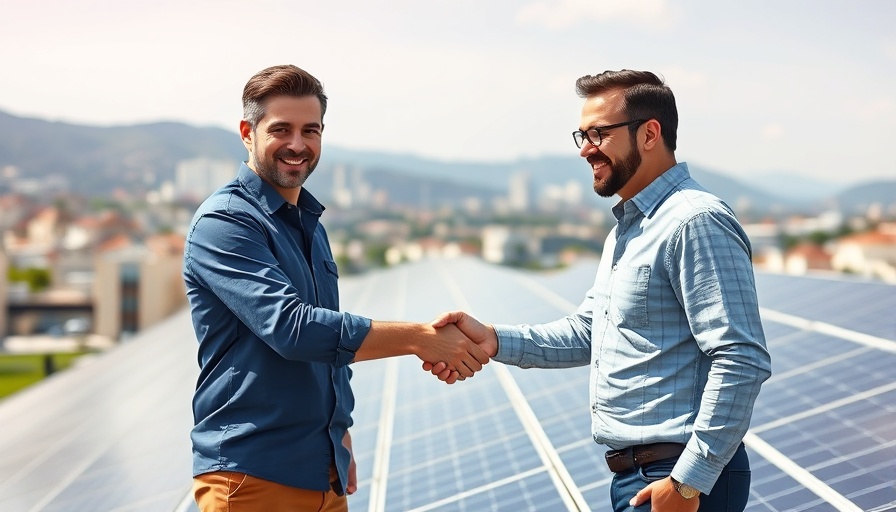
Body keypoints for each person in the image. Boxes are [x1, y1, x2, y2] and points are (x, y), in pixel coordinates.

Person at [427, 70, 772, 512]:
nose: (587, 149)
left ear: (650, 134)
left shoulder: (694, 221)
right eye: (582, 135)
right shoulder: (629, 230)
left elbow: (741, 357)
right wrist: (492, 339)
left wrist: (688, 482)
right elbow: (590, 332)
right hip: (643, 478)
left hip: (678, 478)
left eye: (600, 133)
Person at [183, 64, 490, 512]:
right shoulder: (225, 222)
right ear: (247, 131)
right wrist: (419, 339)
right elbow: (294, 330)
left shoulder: (309, 224)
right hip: (253, 477)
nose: (297, 144)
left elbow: (328, 347)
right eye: (281, 129)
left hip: (322, 473)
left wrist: (337, 432)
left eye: (311, 130)